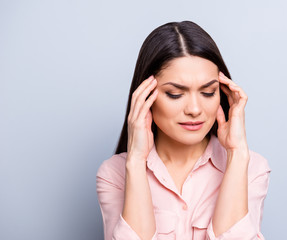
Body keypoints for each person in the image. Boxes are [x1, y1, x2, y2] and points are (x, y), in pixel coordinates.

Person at [96, 21, 272, 240]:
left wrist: (236, 153)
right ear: (145, 96)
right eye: (175, 94)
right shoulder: (115, 174)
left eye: (208, 92)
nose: (195, 110)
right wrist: (136, 161)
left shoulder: (252, 170)